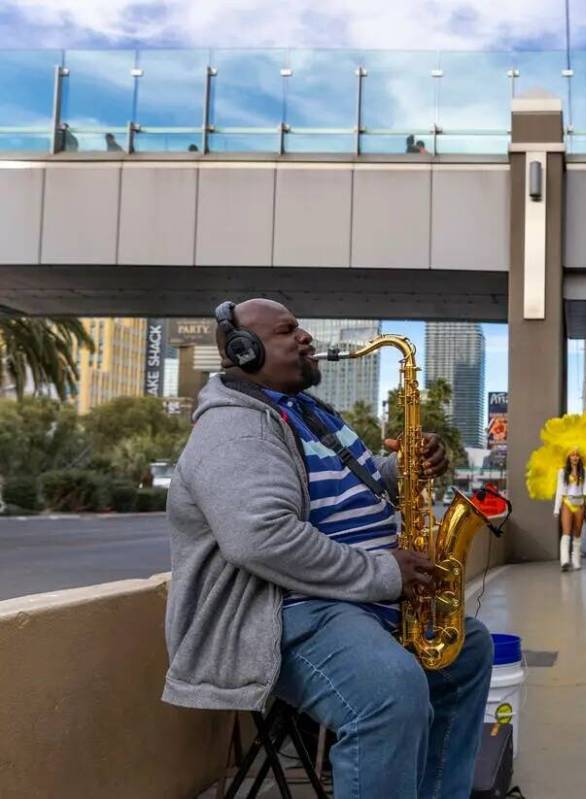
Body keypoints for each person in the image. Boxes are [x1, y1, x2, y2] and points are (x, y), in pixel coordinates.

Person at [163, 299, 493, 799]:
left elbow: (344, 484)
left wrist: (403, 466)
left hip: (350, 598)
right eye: (287, 331)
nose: (306, 338)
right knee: (390, 692)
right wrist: (384, 573)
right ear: (245, 351)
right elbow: (262, 539)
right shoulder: (236, 429)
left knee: (467, 652)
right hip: (285, 610)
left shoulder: (307, 412)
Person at [554, 448, 586, 571]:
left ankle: (576, 560)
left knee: (577, 533)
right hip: (567, 502)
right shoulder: (562, 471)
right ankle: (565, 560)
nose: (575, 457)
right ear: (568, 457)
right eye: (572, 455)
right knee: (566, 532)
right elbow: (559, 491)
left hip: (580, 503)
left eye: (577, 455)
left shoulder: (585, 471)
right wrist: (557, 508)